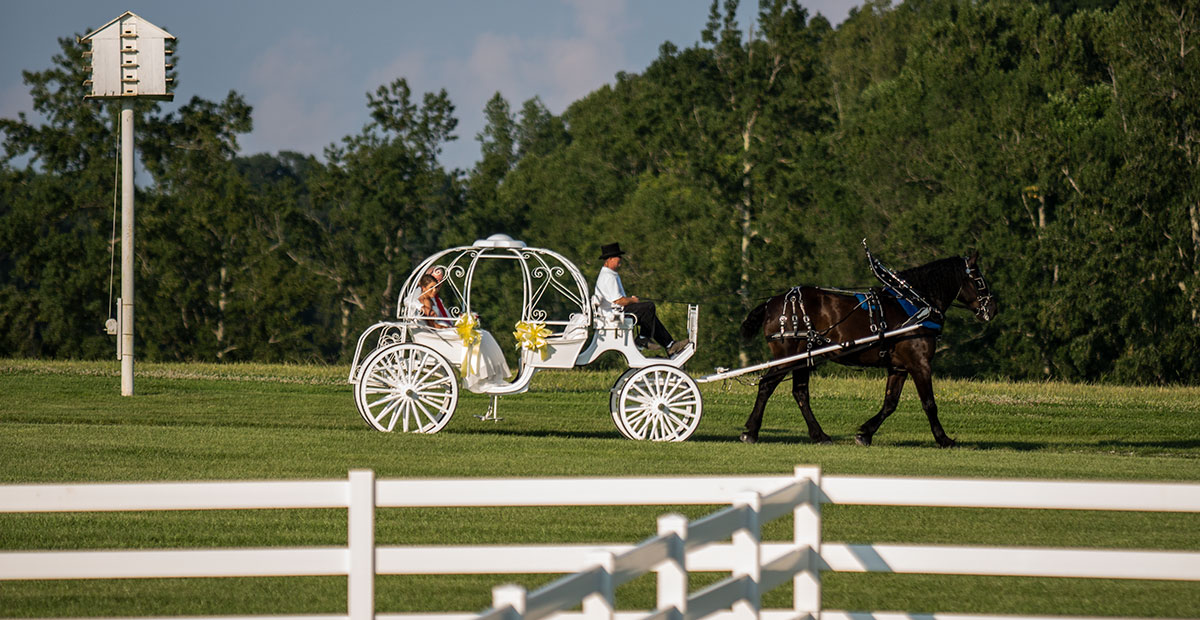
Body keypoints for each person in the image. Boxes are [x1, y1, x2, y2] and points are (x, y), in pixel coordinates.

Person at [412, 273, 512, 392]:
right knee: (477, 337)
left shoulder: (430, 300)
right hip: (436, 334)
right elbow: (433, 326)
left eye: (436, 287)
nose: (434, 290)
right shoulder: (425, 302)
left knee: (483, 334)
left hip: (439, 331)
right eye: (431, 288)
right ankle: (481, 378)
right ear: (423, 288)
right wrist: (447, 328)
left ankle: (490, 377)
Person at [593, 242, 689, 356]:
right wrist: (633, 300)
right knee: (649, 307)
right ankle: (644, 339)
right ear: (609, 259)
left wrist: (631, 300)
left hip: (615, 311)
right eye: (618, 259)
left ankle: (669, 345)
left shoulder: (609, 274)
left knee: (649, 315)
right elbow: (619, 301)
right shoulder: (608, 277)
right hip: (615, 314)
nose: (620, 263)